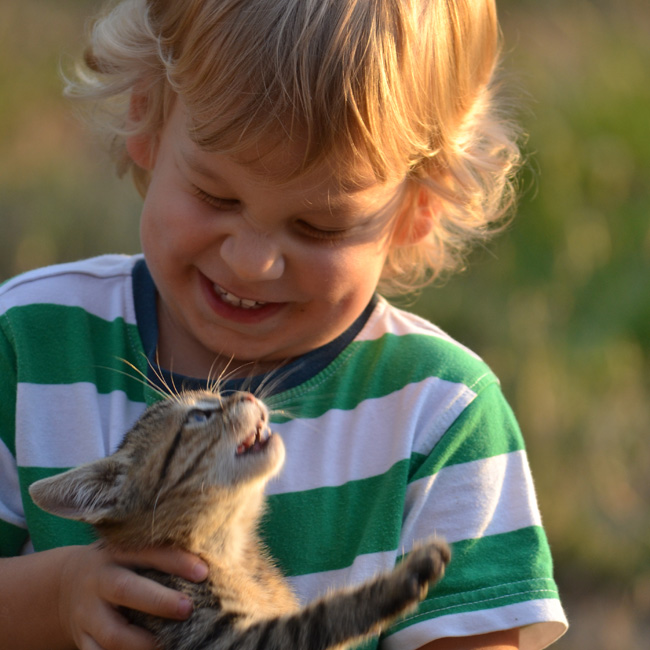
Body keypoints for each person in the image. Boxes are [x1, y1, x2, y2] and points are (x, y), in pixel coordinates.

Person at [0, 0, 568, 648]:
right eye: (218, 196)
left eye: (318, 227)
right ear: (145, 117)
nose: (252, 261)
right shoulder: (29, 339)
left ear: (420, 207)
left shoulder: (442, 415)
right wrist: (61, 593)